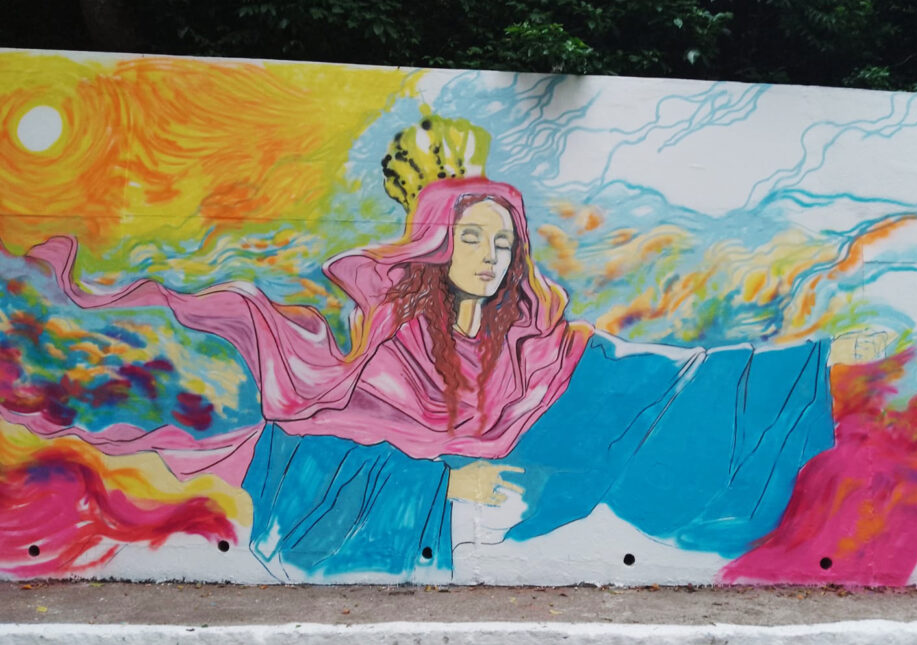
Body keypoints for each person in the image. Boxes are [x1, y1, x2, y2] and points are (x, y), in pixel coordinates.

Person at [27, 177, 834, 580]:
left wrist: (801, 365)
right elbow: (319, 452)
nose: (489, 256)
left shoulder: (540, 347)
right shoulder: (393, 348)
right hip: (413, 547)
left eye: (503, 243)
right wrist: (445, 484)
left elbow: (651, 379)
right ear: (439, 242)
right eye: (473, 238)